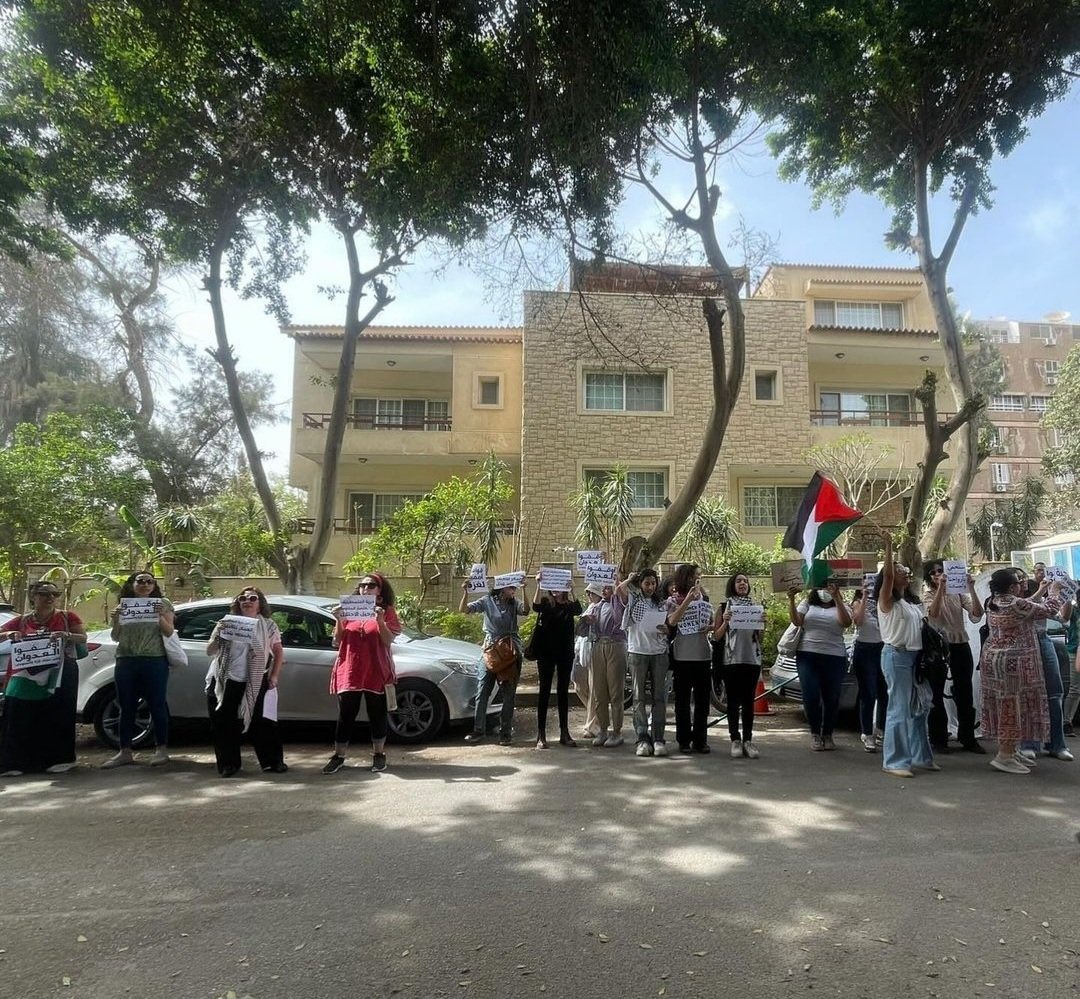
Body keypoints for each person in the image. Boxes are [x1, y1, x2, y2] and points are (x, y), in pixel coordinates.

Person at [0, 581, 86, 776]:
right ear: (33, 597)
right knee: (18, 714)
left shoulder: (67, 617)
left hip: (60, 672)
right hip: (26, 674)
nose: (50, 598)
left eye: (54, 594)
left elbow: (83, 638)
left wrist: (66, 635)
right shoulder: (22, 620)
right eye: (44, 594)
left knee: (58, 715)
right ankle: (15, 762)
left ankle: (61, 759)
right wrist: (8, 634)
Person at [980, 567, 1060, 774]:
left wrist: (1040, 590)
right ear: (1010, 586)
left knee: (1005, 705)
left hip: (995, 661)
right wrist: (1055, 591)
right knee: (1012, 707)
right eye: (1017, 582)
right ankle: (1004, 755)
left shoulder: (993, 601)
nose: (1020, 585)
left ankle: (1010, 749)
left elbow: (1028, 605)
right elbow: (1048, 609)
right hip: (1013, 664)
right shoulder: (1016, 603)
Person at [323, 573, 401, 773]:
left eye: (371, 585)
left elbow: (387, 640)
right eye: (362, 585)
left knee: (377, 713)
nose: (366, 588)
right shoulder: (349, 610)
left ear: (380, 591)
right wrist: (339, 620)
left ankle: (379, 754)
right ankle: (339, 756)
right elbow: (337, 641)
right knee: (346, 714)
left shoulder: (387, 611)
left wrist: (380, 620)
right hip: (350, 670)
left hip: (376, 669)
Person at [205, 587, 286, 777]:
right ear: (238, 603)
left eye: (252, 598)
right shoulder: (225, 623)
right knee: (224, 722)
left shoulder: (268, 625)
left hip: (257, 679)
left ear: (260, 603)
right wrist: (220, 635)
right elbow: (209, 651)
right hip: (225, 679)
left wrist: (274, 676)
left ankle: (273, 762)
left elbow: (278, 652)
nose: (247, 601)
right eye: (242, 598)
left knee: (263, 721)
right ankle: (228, 764)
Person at [102, 571, 174, 769]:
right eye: (140, 581)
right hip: (126, 659)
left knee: (157, 704)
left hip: (154, 660)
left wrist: (159, 616)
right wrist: (116, 618)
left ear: (154, 585)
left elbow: (169, 631)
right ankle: (125, 752)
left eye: (149, 581)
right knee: (126, 706)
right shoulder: (124, 605)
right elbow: (116, 637)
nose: (145, 584)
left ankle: (161, 750)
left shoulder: (163, 604)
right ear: (132, 584)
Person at [876, 537, 934, 777]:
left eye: (906, 571)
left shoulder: (909, 603)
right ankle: (895, 761)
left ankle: (921, 756)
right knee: (899, 707)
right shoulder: (886, 600)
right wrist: (889, 548)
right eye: (901, 571)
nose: (905, 574)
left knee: (920, 707)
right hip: (896, 656)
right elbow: (888, 577)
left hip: (914, 658)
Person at [923, 560, 985, 753]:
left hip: (960, 644)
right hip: (938, 647)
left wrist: (972, 588)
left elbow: (977, 614)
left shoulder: (958, 593)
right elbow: (933, 614)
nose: (937, 574)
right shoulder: (928, 594)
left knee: (964, 691)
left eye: (940, 571)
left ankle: (968, 738)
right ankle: (938, 739)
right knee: (936, 692)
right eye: (932, 572)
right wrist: (941, 588)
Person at [460, 576, 530, 746]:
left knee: (508, 693)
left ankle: (505, 733)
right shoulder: (487, 601)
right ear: (501, 588)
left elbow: (526, 610)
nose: (513, 591)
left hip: (509, 651)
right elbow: (464, 610)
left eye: (515, 588)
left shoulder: (514, 604)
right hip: (490, 650)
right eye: (510, 588)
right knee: (483, 689)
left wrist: (526, 589)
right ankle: (478, 730)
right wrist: (465, 592)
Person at [787, 579, 850, 751]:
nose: (825, 590)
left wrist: (837, 598)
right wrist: (792, 599)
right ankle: (815, 733)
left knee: (831, 697)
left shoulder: (840, 604)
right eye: (822, 586)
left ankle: (827, 734)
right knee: (811, 694)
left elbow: (846, 622)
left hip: (834, 656)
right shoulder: (807, 603)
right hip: (808, 654)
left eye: (829, 587)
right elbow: (796, 621)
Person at [1019, 563, 1072, 762]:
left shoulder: (1044, 596)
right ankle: (1029, 742)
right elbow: (1030, 608)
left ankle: (1057, 744)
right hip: (1024, 644)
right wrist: (1049, 591)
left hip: (1043, 639)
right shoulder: (1018, 600)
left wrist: (1065, 595)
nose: (1021, 582)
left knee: (1055, 692)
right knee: (1028, 693)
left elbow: (1063, 617)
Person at [618, 569, 670, 758]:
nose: (651, 587)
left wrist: (666, 629)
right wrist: (630, 578)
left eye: (653, 583)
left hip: (658, 653)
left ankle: (658, 738)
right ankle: (642, 737)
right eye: (647, 583)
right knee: (638, 697)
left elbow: (669, 625)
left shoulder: (662, 603)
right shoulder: (633, 600)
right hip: (637, 652)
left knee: (659, 697)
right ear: (641, 584)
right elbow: (619, 590)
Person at [712, 572, 762, 759]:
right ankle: (735, 739)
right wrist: (725, 622)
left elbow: (760, 639)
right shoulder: (724, 607)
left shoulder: (756, 608)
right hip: (731, 659)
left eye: (745, 581)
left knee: (749, 702)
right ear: (732, 585)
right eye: (739, 581)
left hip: (751, 659)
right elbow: (716, 636)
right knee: (732, 702)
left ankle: (748, 740)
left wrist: (761, 624)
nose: (743, 584)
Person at [531, 573, 582, 748]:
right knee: (544, 691)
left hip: (565, 653)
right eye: (552, 586)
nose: (555, 590)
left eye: (559, 587)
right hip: (546, 653)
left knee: (562, 692)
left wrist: (573, 588)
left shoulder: (569, 606)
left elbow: (579, 610)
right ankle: (541, 734)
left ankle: (564, 732)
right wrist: (538, 584)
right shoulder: (545, 604)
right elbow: (535, 606)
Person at [666, 564, 713, 754]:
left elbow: (710, 622)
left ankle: (700, 740)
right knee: (682, 701)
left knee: (702, 700)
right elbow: (672, 621)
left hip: (702, 654)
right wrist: (688, 600)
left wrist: (709, 627)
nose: (698, 579)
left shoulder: (705, 598)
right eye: (695, 576)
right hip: (682, 656)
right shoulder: (672, 600)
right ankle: (684, 740)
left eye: (699, 576)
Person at [581, 580, 628, 748]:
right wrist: (586, 620)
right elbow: (581, 630)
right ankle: (603, 729)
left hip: (616, 645)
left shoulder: (620, 602)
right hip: (598, 645)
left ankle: (617, 731)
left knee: (615, 691)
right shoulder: (595, 606)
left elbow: (618, 619)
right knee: (599, 692)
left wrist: (617, 592)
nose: (606, 590)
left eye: (609, 587)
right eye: (603, 588)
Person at [851, 583, 885, 753]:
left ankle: (881, 729)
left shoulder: (883, 600)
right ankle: (867, 733)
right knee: (868, 693)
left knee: (884, 692)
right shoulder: (857, 602)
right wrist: (864, 597)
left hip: (882, 647)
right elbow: (858, 621)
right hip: (864, 649)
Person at [573, 587, 602, 739]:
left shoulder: (603, 607)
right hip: (581, 651)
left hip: (595, 651)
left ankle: (591, 724)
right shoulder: (589, 607)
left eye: (593, 592)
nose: (590, 595)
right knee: (578, 685)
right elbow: (579, 630)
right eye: (588, 592)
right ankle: (599, 715)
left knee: (594, 689)